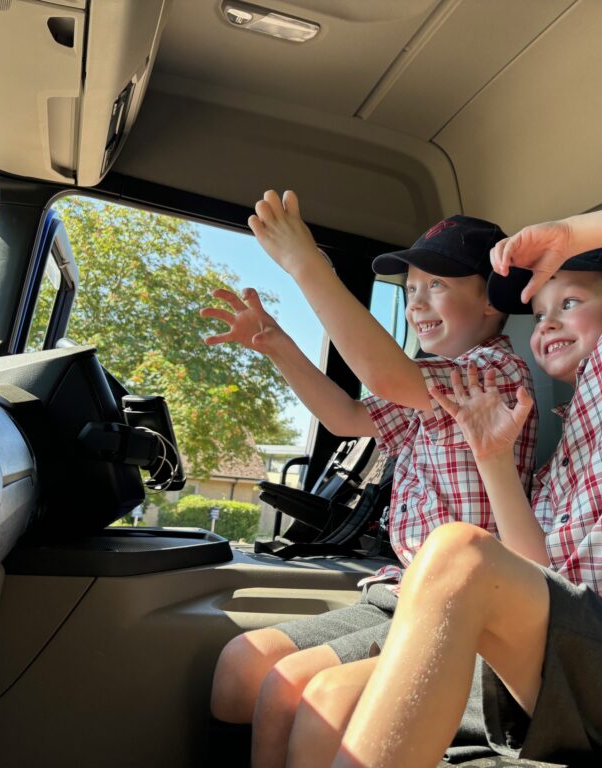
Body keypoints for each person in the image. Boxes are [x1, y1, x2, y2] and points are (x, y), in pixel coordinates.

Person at [295, 191, 602, 768]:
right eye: (539, 316)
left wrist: (570, 233)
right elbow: (535, 571)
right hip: (570, 650)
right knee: (329, 696)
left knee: (459, 549)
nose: (549, 323)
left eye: (570, 301)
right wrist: (492, 459)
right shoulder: (559, 460)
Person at [201, 192, 538, 767]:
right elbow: (347, 418)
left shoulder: (494, 376)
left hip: (456, 608)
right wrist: (276, 344)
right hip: (399, 589)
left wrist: (307, 264)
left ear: (491, 299)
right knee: (239, 667)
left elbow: (385, 376)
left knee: (293, 692)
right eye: (411, 290)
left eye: (439, 285)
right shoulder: (426, 390)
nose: (418, 303)